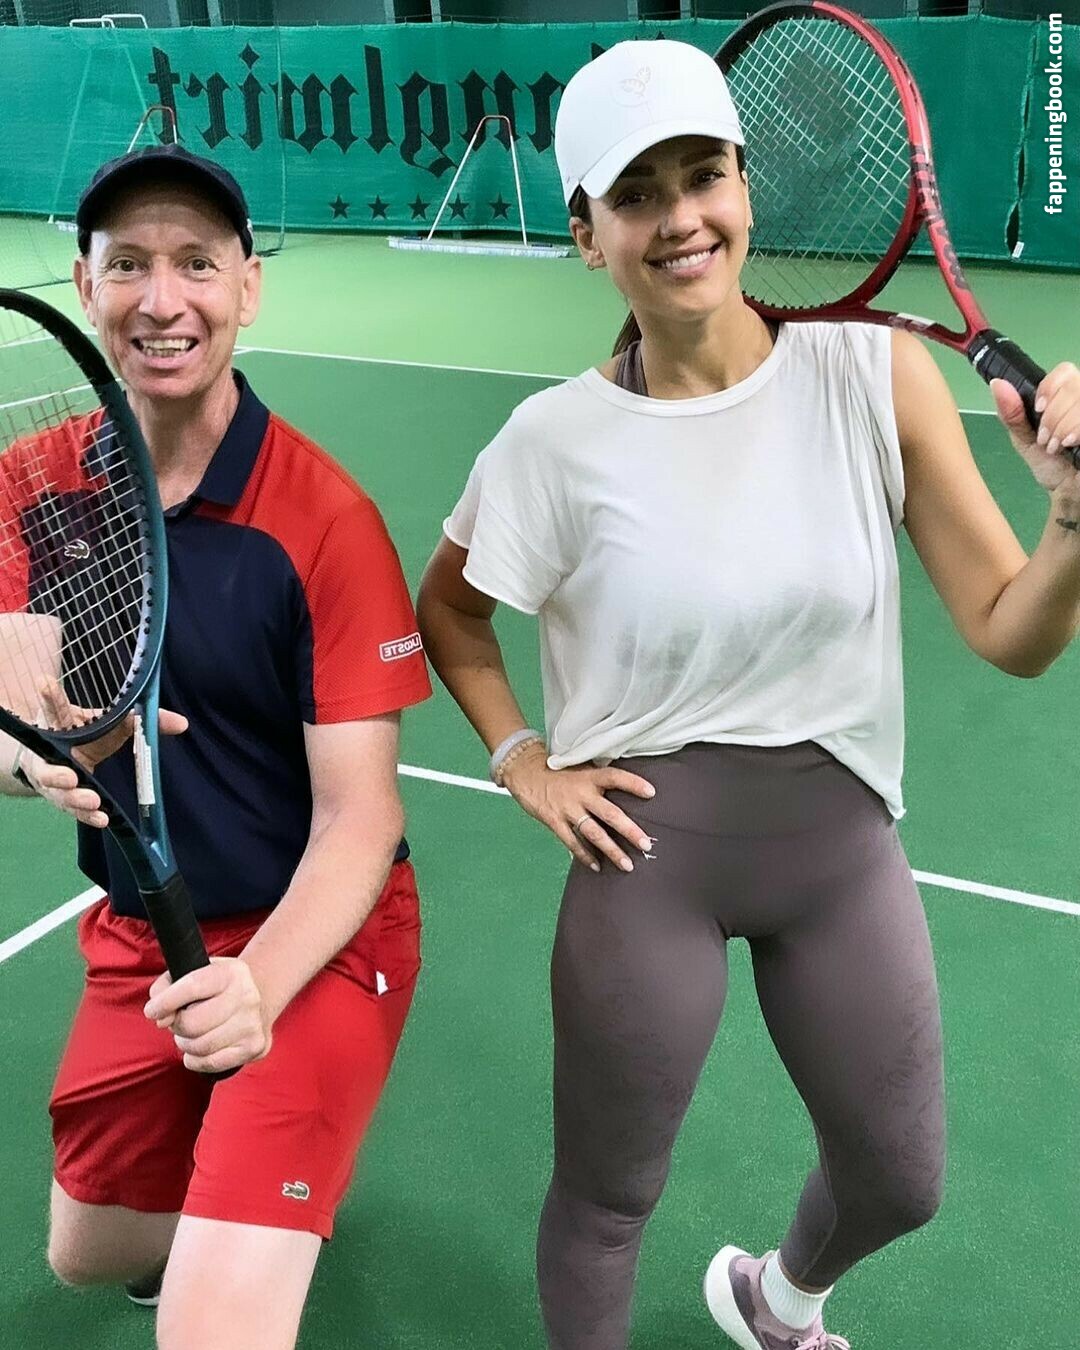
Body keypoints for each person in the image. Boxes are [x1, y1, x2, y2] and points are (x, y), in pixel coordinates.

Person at [416, 39, 1080, 1350]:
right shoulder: (552, 443)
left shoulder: (873, 376)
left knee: (900, 1179)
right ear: (587, 234)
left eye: (703, 175)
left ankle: (775, 1302)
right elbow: (451, 609)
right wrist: (522, 758)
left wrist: (1070, 516)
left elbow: (1013, 634)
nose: (680, 217)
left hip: (839, 853)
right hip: (645, 862)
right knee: (608, 1202)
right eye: (636, 193)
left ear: (745, 185)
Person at [0, 144, 431, 1350]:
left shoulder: (327, 519)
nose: (162, 299)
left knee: (210, 1329)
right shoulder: (26, 484)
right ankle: (235, 1178)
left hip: (318, 933)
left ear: (249, 285)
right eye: (128, 264)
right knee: (89, 1256)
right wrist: (33, 760)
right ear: (86, 286)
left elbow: (363, 816)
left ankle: (275, 1160)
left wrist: (261, 987)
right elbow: (11, 717)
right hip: (146, 927)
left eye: (196, 263)